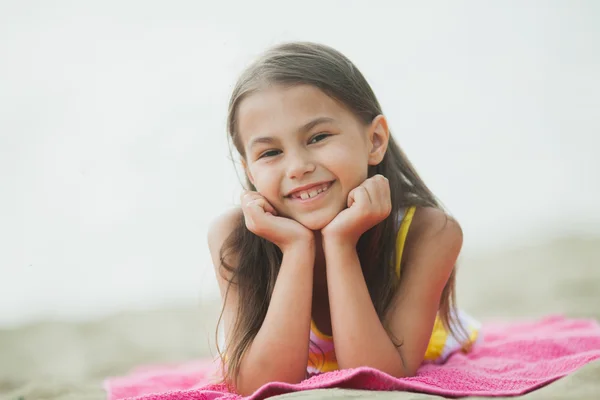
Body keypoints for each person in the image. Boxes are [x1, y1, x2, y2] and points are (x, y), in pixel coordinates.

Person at [208, 41, 481, 396]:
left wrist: (340, 243)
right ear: (249, 170)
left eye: (318, 137)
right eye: (270, 152)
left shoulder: (430, 231)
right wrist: (295, 249)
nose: (298, 167)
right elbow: (259, 385)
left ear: (375, 140)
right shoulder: (233, 236)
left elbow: (376, 377)